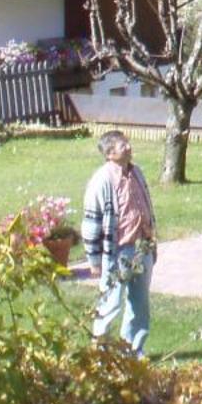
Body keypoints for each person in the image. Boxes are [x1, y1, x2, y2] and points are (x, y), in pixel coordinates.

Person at [81, 129, 156, 357]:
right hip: (118, 252)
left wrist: (152, 244)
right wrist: (94, 261)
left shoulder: (136, 173)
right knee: (110, 305)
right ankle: (100, 353)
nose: (129, 148)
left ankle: (133, 350)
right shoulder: (102, 180)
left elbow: (147, 207)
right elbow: (91, 223)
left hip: (141, 247)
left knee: (139, 304)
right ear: (110, 153)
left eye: (128, 144)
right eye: (124, 145)